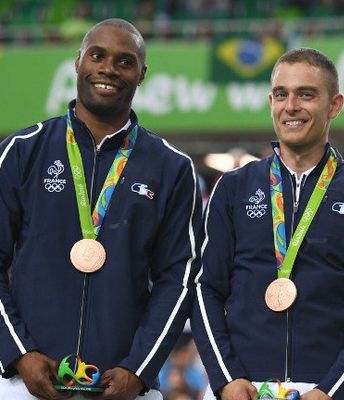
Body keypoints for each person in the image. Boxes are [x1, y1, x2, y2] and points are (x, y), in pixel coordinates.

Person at [0, 18, 201, 400]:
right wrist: (19, 352)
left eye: (125, 61)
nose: (108, 68)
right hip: (22, 383)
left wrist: (139, 368)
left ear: (142, 74)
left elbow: (179, 279)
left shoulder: (171, 168)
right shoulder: (23, 150)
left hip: (123, 386)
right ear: (78, 62)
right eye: (97, 56)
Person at [191, 47, 344, 400]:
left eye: (306, 94)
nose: (291, 106)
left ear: (334, 105)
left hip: (329, 390)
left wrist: (332, 390)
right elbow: (205, 289)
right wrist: (226, 378)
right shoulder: (232, 188)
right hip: (242, 388)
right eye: (281, 94)